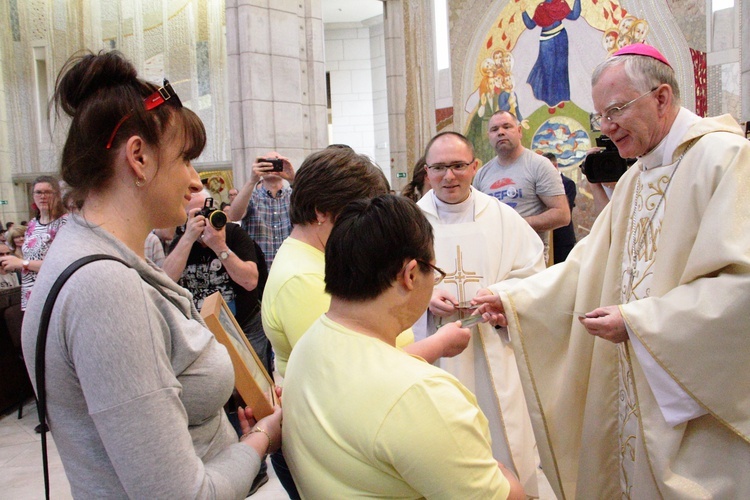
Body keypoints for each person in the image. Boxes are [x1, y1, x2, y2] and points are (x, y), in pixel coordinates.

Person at [472, 44, 750, 498]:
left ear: (661, 98)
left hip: (690, 391)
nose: (606, 127)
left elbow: (742, 286)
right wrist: (516, 298)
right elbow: (588, 263)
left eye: (616, 110)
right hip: (634, 382)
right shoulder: (639, 176)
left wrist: (642, 324)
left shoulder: (725, 159)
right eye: (599, 115)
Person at [21, 51, 281, 498]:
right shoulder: (103, 289)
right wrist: (261, 441)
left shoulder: (99, 256)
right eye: (183, 159)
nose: (196, 181)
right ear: (138, 158)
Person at [262, 146, 473, 498]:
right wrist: (440, 343)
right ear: (321, 212)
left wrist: (419, 294)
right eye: (357, 214)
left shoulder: (316, 258)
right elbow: (354, 376)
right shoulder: (303, 278)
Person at [283, 194, 525, 499]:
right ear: (410, 275)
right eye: (434, 274)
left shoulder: (309, 343)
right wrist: (505, 476)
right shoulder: (421, 395)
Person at [416, 131, 546, 495]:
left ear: (474, 167)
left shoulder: (503, 218)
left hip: (491, 344)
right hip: (434, 348)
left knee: (500, 428)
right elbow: (387, 280)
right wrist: (425, 296)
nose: (449, 176)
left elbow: (534, 273)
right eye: (439, 167)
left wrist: (502, 296)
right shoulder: (407, 222)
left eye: (458, 166)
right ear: (427, 172)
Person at [473, 110, 570, 259]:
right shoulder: (482, 174)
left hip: (530, 260)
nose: (500, 132)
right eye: (494, 129)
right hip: (494, 259)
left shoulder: (539, 165)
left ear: (519, 131)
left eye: (507, 127)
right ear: (489, 137)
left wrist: (519, 224)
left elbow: (562, 214)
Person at [0, 176, 67, 311]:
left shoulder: (65, 223)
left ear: (58, 196)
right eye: (38, 192)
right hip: (31, 294)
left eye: (48, 192)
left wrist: (22, 263)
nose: (43, 196)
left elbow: (63, 265)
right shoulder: (32, 224)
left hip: (54, 294)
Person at [227, 153, 295, 269]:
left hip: (289, 270)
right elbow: (234, 216)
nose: (272, 166)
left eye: (277, 162)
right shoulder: (251, 197)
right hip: (259, 273)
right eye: (267, 163)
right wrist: (252, 180)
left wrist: (293, 179)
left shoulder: (294, 196)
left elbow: (315, 214)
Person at [522, 0, 582, 108]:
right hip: (546, 41)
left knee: (561, 70)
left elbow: (574, 15)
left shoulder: (560, 3)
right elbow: (530, 25)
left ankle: (564, 100)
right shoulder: (541, 8)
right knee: (548, 72)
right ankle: (550, 104)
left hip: (561, 38)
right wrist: (523, 12)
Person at [543, 152, 577, 263]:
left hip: (562, 239)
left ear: (555, 166)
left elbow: (566, 209)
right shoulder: (540, 185)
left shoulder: (568, 184)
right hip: (545, 237)